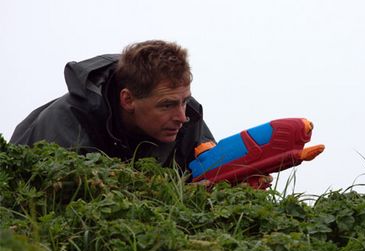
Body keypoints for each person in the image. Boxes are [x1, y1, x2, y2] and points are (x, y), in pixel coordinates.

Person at [10, 40, 216, 173]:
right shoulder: (67, 125)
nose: (182, 117)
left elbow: (221, 177)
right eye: (167, 105)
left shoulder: (189, 116)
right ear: (127, 100)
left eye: (185, 101)